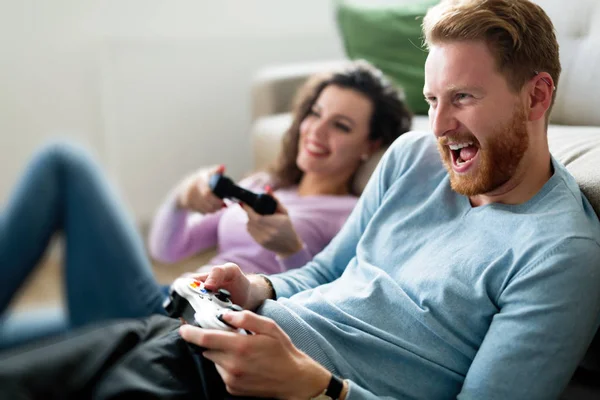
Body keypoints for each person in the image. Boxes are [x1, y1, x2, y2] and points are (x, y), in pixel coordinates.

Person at [1, 0, 600, 399]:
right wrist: (257, 288)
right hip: (196, 334)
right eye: (432, 99)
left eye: (464, 98)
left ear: (537, 95)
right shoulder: (413, 158)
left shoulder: (559, 254)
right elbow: (324, 271)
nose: (440, 125)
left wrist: (317, 387)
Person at [0, 60, 413, 350]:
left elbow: (326, 294)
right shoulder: (266, 184)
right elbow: (166, 250)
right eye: (314, 114)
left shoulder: (350, 214)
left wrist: (291, 249)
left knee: (65, 162)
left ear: (371, 145)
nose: (316, 132)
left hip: (173, 327)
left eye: (340, 126)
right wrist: (184, 198)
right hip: (167, 296)